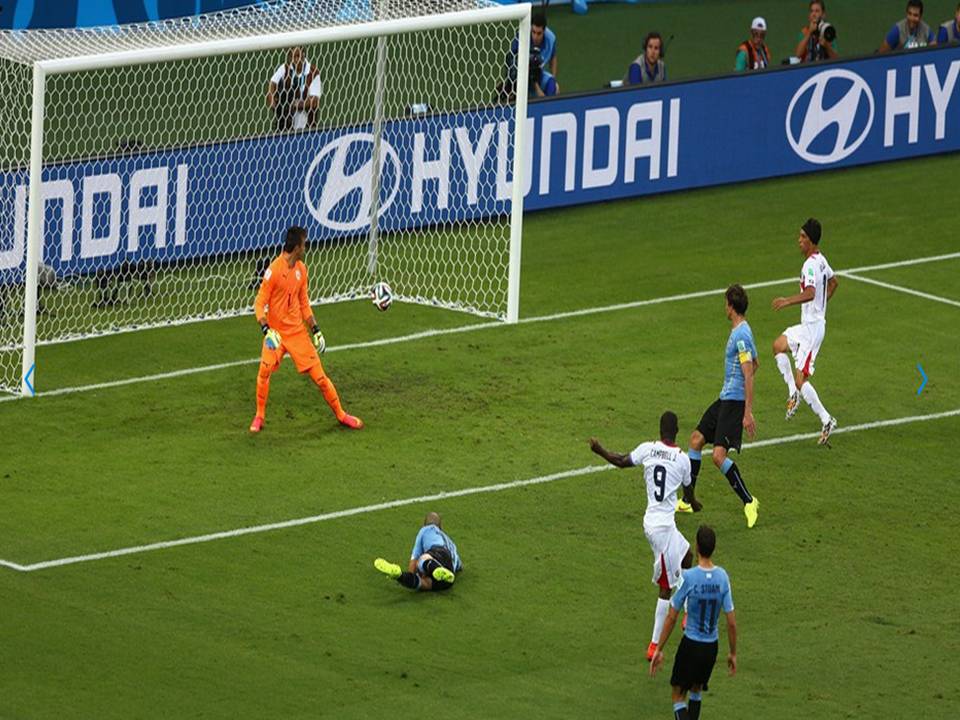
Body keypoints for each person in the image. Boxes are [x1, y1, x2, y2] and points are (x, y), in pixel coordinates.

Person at [589, 411, 693, 661]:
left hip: (656, 523)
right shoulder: (682, 459)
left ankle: (688, 613)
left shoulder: (648, 449)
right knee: (665, 587)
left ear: (660, 431)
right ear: (677, 431)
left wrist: (600, 450)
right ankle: (654, 645)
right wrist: (694, 501)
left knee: (687, 555)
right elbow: (689, 493)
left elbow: (622, 461)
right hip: (662, 529)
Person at [249, 226, 362, 433]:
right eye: (304, 243)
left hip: (297, 333)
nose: (306, 247)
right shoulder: (273, 271)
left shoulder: (302, 269)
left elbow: (304, 303)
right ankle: (259, 415)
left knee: (320, 378)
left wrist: (316, 329)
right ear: (297, 246)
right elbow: (259, 303)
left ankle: (341, 414)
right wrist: (266, 329)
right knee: (264, 371)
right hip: (275, 333)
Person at [680, 285, 760, 528]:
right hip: (725, 397)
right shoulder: (740, 330)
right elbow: (755, 363)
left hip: (734, 403)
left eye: (726, 303)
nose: (724, 307)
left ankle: (749, 501)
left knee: (717, 456)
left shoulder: (741, 335)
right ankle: (688, 500)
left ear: (731, 306)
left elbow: (749, 373)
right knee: (695, 440)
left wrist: (746, 412)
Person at [650, 525, 736, 720]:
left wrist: (659, 648)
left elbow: (672, 616)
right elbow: (731, 622)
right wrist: (732, 653)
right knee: (696, 689)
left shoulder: (688, 577)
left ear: (697, 546)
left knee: (678, 695)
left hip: (691, 644)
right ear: (713, 548)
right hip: (711, 647)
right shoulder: (723, 578)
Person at [771, 218, 838, 445]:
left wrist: (787, 301)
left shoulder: (810, 265)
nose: (798, 241)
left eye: (802, 237)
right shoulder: (821, 260)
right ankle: (792, 393)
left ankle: (826, 419)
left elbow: (810, 292)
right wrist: (822, 303)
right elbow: (834, 283)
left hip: (812, 330)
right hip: (810, 325)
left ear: (810, 241)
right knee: (778, 345)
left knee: (802, 379)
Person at [374, 512, 462, 591]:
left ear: (424, 524)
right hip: (449, 579)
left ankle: (402, 575)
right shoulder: (451, 543)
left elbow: (414, 559)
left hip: (439, 553)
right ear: (441, 526)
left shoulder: (427, 529)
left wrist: (410, 574)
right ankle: (400, 576)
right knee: (424, 584)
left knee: (422, 560)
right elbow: (459, 566)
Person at [266, 46, 323, 131]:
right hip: (286, 128)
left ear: (304, 54)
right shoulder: (285, 69)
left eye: (298, 56)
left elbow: (314, 102)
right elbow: (272, 85)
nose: (296, 60)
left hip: (307, 129)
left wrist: (296, 105)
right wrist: (275, 107)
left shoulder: (313, 72)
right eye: (292, 57)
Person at [506, 10, 559, 98]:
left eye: (539, 33)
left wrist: (553, 77)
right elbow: (510, 60)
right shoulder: (521, 36)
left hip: (538, 75)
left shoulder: (550, 39)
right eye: (533, 32)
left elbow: (553, 57)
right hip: (520, 78)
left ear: (544, 31)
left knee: (554, 86)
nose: (535, 37)